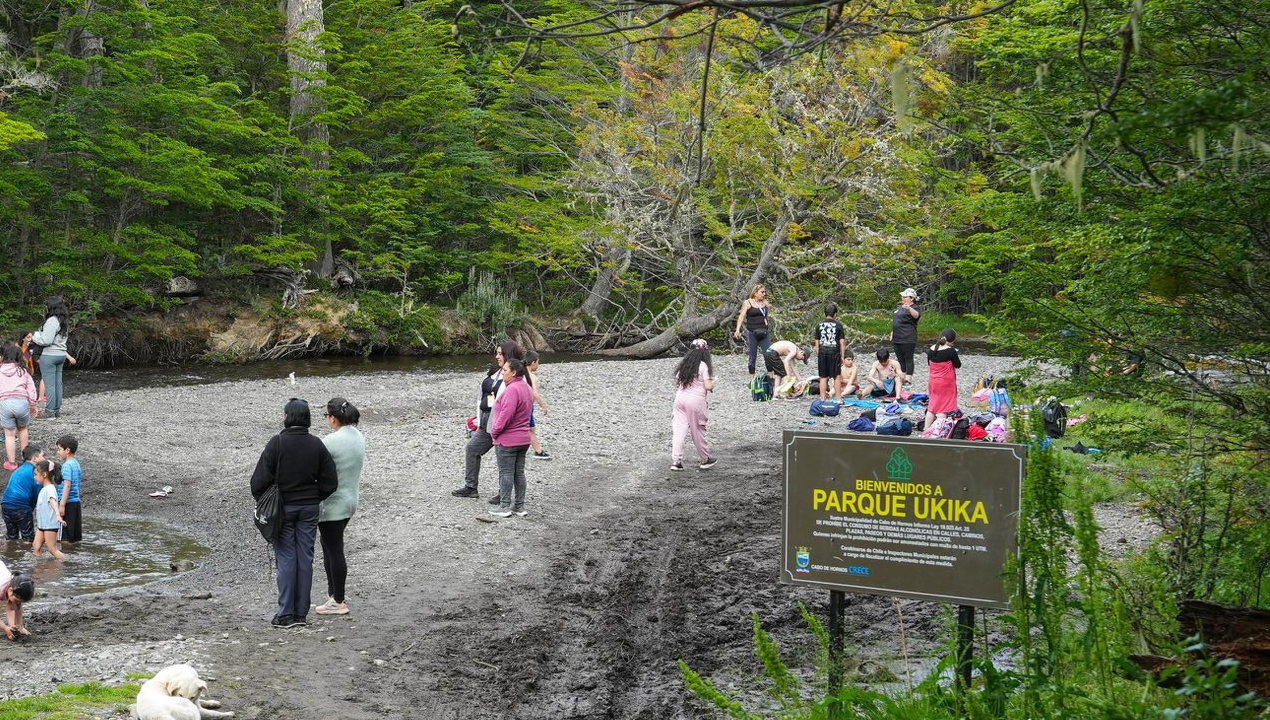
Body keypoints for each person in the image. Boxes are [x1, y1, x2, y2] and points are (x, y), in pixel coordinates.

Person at [250, 398, 338, 628]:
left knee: (287, 558)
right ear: (307, 418)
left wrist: (266, 502)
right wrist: (314, 497)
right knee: (305, 558)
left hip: (283, 510)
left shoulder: (277, 443)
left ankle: (286, 614)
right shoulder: (316, 444)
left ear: (288, 417)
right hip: (309, 509)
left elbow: (258, 482)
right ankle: (300, 614)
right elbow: (331, 482)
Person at [452, 340, 524, 501]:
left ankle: (503, 493)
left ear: (508, 355)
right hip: (485, 421)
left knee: (502, 458)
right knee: (472, 449)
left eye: (500, 353)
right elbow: (481, 396)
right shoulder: (493, 372)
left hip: (501, 423)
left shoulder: (516, 377)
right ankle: (471, 487)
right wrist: (478, 420)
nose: (497, 356)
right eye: (497, 353)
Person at [316, 398, 364, 617]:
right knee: (330, 547)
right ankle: (333, 595)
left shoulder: (330, 441)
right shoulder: (358, 436)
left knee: (333, 550)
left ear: (333, 418)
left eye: (327, 416)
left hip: (333, 504)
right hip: (350, 499)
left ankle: (338, 600)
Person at [488, 358, 534, 518]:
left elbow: (506, 415)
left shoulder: (512, 390)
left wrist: (494, 432)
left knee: (506, 473)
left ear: (514, 372)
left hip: (508, 439)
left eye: (505, 370)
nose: (502, 373)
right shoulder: (527, 387)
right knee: (519, 473)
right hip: (524, 438)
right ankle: (519, 507)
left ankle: (505, 506)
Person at [671, 339, 717, 471]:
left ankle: (676, 461)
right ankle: (705, 459)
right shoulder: (703, 366)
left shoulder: (683, 365)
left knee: (679, 430)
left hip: (680, 399)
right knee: (698, 430)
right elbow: (708, 386)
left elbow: (679, 381)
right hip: (695, 401)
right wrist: (712, 384)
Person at [32, 295, 77, 419]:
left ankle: (50, 411)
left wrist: (35, 336)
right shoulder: (64, 321)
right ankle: (56, 410)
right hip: (61, 355)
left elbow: (46, 340)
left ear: (51, 306)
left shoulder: (52, 320)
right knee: (58, 384)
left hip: (49, 355)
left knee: (50, 384)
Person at [0, 342, 38, 471]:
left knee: (9, 435)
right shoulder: (23, 371)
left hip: (5, 403)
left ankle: (11, 463)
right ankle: (26, 460)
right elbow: (31, 389)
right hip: (22, 402)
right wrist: (33, 405)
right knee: (22, 429)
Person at [732, 284, 774, 383]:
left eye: (765, 292)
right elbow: (741, 316)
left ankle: (771, 378)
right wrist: (737, 330)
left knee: (768, 355)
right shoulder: (748, 302)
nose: (764, 294)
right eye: (762, 292)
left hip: (764, 332)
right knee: (752, 356)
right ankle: (752, 379)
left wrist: (767, 319)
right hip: (752, 332)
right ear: (755, 293)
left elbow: (767, 315)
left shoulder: (765, 303)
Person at [2, 446, 42, 545]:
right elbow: (39, 495)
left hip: (5, 505)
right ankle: (28, 552)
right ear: (35, 458)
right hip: (21, 507)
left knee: (11, 537)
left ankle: (10, 552)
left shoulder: (18, 470)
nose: (44, 458)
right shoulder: (35, 472)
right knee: (28, 538)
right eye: (42, 455)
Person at [924, 329, 962, 430]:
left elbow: (929, 364)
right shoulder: (951, 351)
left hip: (933, 382)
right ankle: (939, 431)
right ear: (952, 341)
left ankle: (926, 429)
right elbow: (958, 365)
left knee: (932, 407)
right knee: (943, 408)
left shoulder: (931, 349)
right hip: (946, 383)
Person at [31, 459, 65, 560]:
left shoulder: (50, 488)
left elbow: (52, 501)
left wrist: (58, 515)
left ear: (44, 474)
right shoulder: (44, 489)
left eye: (36, 474)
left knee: (52, 549)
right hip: (42, 525)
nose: (34, 477)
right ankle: (39, 567)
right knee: (36, 546)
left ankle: (67, 564)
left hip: (50, 524)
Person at [814, 303, 847, 401]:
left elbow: (817, 341)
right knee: (836, 376)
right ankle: (839, 400)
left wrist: (818, 352)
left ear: (825, 314)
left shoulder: (819, 325)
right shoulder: (838, 325)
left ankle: (822, 399)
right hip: (834, 352)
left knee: (823, 377)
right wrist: (842, 356)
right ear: (835, 314)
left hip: (822, 352)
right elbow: (842, 342)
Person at [524, 351, 552, 460]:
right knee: (531, 429)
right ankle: (538, 451)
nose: (538, 365)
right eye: (538, 362)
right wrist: (543, 406)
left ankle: (536, 449)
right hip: (527, 407)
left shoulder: (519, 373)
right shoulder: (532, 377)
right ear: (533, 362)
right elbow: (535, 393)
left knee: (529, 428)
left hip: (520, 405)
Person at [890, 288, 921, 385]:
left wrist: (909, 308)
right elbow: (896, 321)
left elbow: (916, 316)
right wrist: (892, 332)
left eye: (905, 297)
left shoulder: (915, 307)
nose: (902, 298)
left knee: (908, 358)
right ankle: (902, 376)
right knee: (900, 358)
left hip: (908, 337)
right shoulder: (899, 308)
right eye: (902, 297)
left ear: (911, 298)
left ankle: (909, 378)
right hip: (897, 337)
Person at [56, 435, 83, 544]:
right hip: (76, 503)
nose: (58, 452)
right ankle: (73, 553)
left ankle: (65, 554)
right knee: (74, 538)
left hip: (67, 503)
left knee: (65, 538)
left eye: (59, 449)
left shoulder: (67, 465)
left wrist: (62, 505)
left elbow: (67, 485)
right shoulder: (76, 463)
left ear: (67, 450)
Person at [1, 559, 34, 639]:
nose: (18, 603)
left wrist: (18, 627)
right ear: (10, 591)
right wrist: (5, 628)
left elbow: (12, 608)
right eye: (17, 601)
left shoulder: (17, 585)